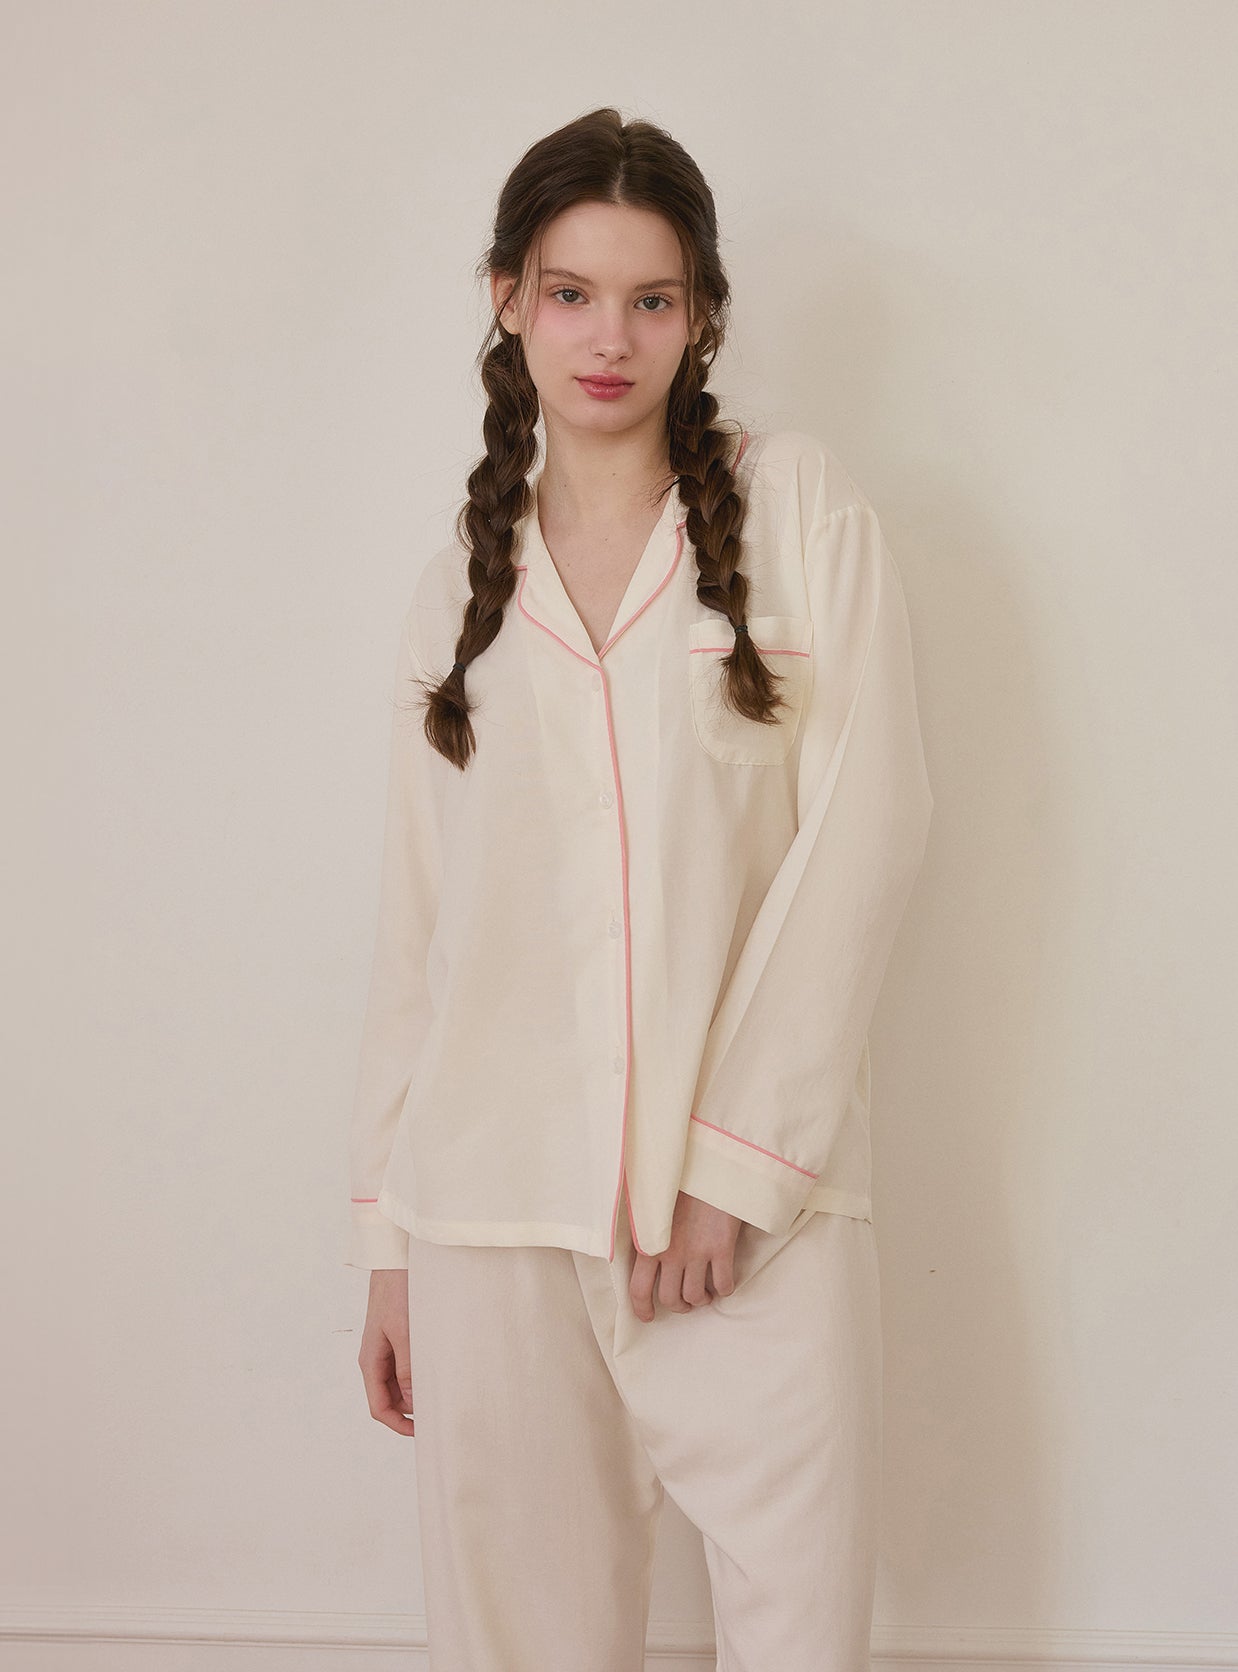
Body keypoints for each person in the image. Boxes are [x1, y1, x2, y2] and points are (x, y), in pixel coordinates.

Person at [345, 106, 933, 1672]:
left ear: (701, 316)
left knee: (800, 1635)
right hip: (490, 1217)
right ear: (506, 300)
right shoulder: (453, 598)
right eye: (569, 293)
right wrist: (389, 1245)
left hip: (758, 1219)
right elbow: (420, 937)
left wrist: (735, 1164)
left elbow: (868, 830)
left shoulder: (798, 510)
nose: (609, 338)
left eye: (651, 299)